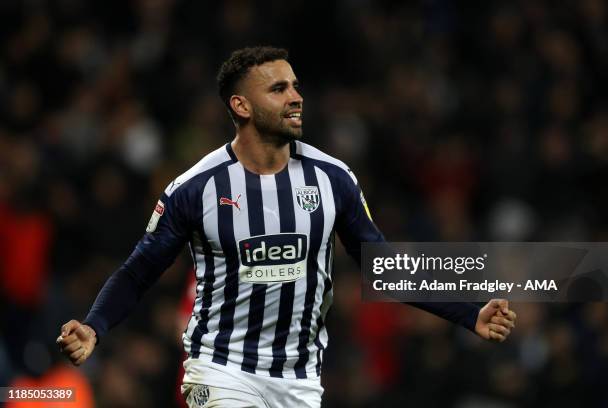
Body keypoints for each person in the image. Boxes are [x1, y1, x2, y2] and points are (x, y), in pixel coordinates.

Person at [57, 46, 517, 408]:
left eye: (295, 86)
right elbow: (138, 273)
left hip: (300, 379)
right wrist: (95, 326)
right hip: (220, 370)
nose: (296, 97)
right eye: (278, 89)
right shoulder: (194, 188)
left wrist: (469, 312)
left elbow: (382, 265)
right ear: (240, 105)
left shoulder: (333, 178)